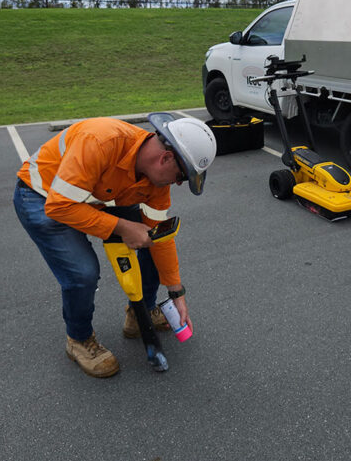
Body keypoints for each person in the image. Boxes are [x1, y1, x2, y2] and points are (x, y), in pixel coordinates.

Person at [13, 113, 217, 378]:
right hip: (42, 196)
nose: (178, 183)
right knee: (82, 273)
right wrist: (122, 227)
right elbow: (59, 206)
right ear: (165, 158)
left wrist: (177, 294)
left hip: (92, 199)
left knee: (150, 241)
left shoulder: (155, 180)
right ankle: (78, 339)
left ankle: (138, 312)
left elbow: (161, 239)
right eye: (181, 176)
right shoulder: (99, 141)